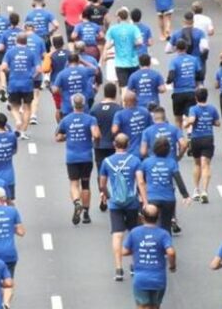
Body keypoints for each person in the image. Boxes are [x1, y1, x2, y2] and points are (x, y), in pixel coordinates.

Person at [122, 203, 176, 309]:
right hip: (159, 277)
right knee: (155, 308)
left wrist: (137, 249)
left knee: (142, 307)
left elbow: (124, 251)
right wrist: (172, 266)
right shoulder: (163, 234)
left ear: (141, 217)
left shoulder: (135, 233)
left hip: (141, 277)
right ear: (158, 217)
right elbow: (170, 252)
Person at [98, 134, 141, 280]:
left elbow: (102, 184)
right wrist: (145, 201)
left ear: (114, 144)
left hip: (115, 203)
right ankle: (134, 265)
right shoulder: (135, 160)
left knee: (117, 234)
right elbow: (140, 182)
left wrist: (108, 196)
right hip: (132, 202)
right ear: (128, 144)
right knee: (133, 232)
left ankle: (118, 268)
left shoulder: (107, 161)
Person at [56, 93, 101, 225]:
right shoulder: (90, 119)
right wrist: (94, 139)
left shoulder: (66, 120)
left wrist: (67, 137)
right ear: (84, 104)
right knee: (85, 184)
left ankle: (77, 203)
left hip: (72, 157)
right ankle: (86, 214)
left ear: (72, 104)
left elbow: (58, 137)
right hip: (86, 156)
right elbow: (96, 134)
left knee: (74, 183)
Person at [137, 137, 191, 235]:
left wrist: (141, 196)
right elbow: (178, 180)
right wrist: (185, 195)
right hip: (168, 199)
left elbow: (141, 181)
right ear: (168, 150)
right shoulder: (172, 162)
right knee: (166, 226)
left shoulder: (146, 162)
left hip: (152, 198)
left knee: (151, 225)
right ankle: (166, 245)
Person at [1, 34, 41, 140]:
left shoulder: (10, 52)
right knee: (27, 107)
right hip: (27, 83)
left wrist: (10, 73)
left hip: (14, 83)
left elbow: (3, 67)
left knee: (14, 106)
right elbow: (38, 69)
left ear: (16, 41)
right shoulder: (31, 53)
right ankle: (23, 131)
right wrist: (32, 77)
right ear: (26, 42)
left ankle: (18, 120)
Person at [185, 87, 221, 203]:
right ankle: (205, 191)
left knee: (197, 164)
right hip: (208, 138)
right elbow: (218, 123)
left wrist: (186, 124)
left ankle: (196, 190)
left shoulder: (193, 109)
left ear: (196, 98)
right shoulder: (212, 109)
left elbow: (192, 119)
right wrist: (209, 121)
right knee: (205, 165)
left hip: (196, 139)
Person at [101, 8, 143, 95]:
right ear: (127, 17)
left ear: (119, 18)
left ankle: (124, 105)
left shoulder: (112, 29)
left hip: (120, 63)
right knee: (133, 87)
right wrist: (132, 43)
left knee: (123, 87)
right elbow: (140, 42)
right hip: (133, 62)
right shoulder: (133, 28)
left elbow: (107, 45)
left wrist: (105, 55)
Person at [167, 39, 199, 130]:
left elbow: (171, 76)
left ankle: (180, 138)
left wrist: (168, 82)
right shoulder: (194, 60)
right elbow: (199, 74)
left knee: (178, 118)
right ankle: (190, 134)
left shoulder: (174, 61)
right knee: (190, 115)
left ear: (176, 48)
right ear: (186, 48)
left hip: (178, 92)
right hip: (191, 91)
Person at [112, 90, 153, 157]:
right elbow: (151, 129)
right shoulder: (145, 111)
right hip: (145, 150)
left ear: (124, 102)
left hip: (129, 151)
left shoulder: (120, 114)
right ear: (136, 101)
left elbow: (114, 130)